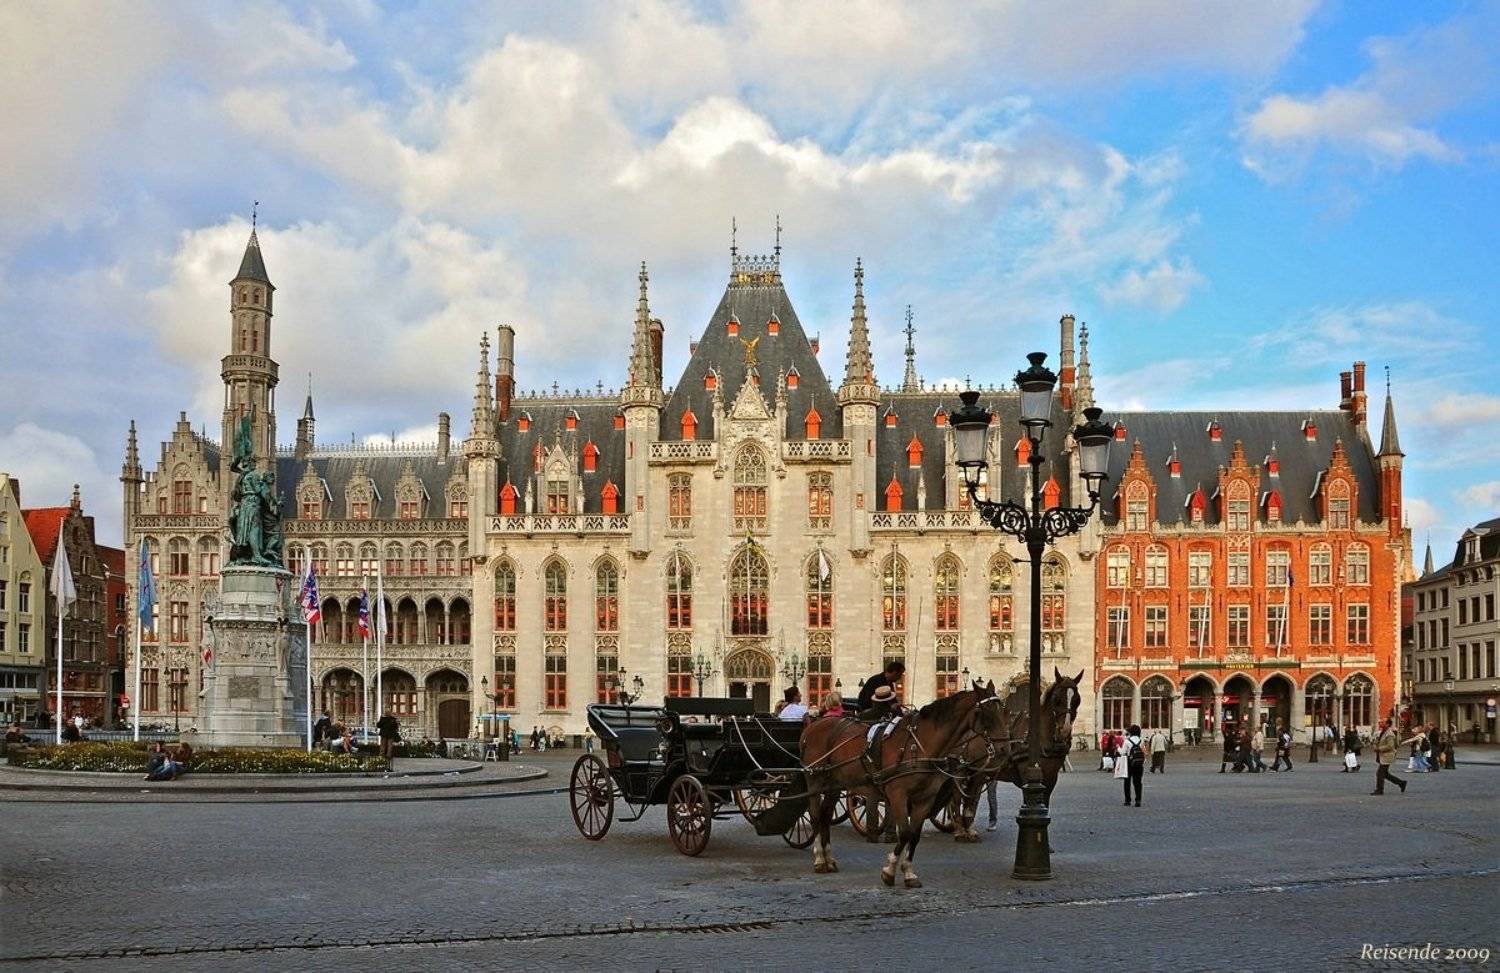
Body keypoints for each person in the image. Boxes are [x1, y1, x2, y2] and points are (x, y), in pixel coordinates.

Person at [1371, 718, 1407, 795]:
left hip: (1387, 756)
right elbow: (1379, 741)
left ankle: (1379, 790)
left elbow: (1390, 746)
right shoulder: (1383, 732)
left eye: (1382, 722)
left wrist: (1379, 749)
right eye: (1380, 722)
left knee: (1380, 773)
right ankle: (1401, 783)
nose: (1380, 723)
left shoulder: (1389, 734)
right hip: (1383, 755)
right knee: (1385, 774)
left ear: (1387, 724)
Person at [1115, 723, 1145, 806]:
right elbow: (1144, 752)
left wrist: (1118, 747)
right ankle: (1138, 800)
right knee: (1138, 782)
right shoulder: (1141, 740)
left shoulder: (1127, 741)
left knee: (1127, 782)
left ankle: (1127, 800)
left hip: (1129, 762)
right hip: (1139, 763)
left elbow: (1122, 752)